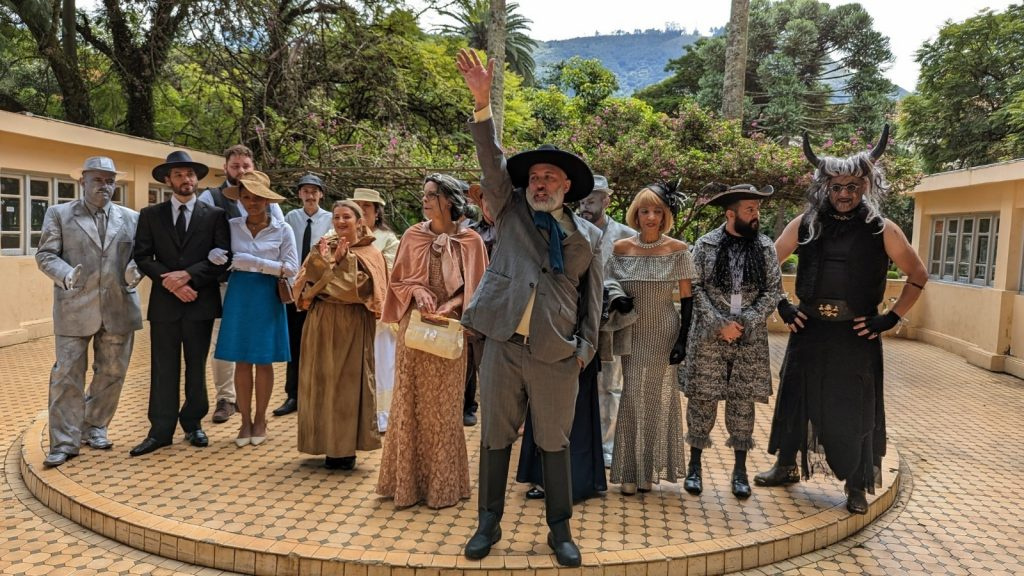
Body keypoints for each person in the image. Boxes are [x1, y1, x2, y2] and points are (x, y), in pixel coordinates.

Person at [457, 48, 603, 568]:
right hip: (502, 344)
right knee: (495, 436)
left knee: (553, 441)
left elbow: (593, 297)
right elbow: (492, 165)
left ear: (566, 188)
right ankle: (487, 524)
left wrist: (584, 348)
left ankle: (560, 531)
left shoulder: (587, 236)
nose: (540, 183)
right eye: (535, 177)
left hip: (556, 354)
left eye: (550, 179)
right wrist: (481, 104)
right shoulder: (509, 210)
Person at [754, 126, 928, 515]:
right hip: (810, 330)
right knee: (797, 396)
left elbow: (918, 275)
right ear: (824, 187)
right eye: (836, 186)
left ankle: (856, 485)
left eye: (852, 185)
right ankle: (786, 465)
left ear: (865, 185)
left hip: (856, 336)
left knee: (853, 407)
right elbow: (766, 264)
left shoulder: (882, 229)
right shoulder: (804, 222)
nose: (844, 194)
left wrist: (890, 319)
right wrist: (782, 305)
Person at [376, 174, 488, 508]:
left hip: (450, 332)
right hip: (415, 332)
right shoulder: (412, 235)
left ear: (449, 201)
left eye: (431, 195)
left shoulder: (472, 242)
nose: (424, 201)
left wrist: (452, 304)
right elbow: (397, 282)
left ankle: (443, 486)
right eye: (424, 194)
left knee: (445, 407)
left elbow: (479, 290)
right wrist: (418, 290)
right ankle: (406, 486)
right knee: (409, 403)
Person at [35, 156, 144, 467]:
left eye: (110, 180)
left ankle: (95, 425)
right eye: (98, 179)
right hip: (74, 306)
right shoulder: (60, 214)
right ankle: (64, 442)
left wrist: (136, 270)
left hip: (119, 307)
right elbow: (45, 254)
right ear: (82, 181)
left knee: (112, 373)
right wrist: (65, 274)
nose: (105, 186)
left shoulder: (131, 218)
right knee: (66, 375)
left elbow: (142, 255)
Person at [679, 183, 781, 499]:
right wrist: (718, 323)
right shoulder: (705, 245)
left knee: (742, 403)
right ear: (730, 213)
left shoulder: (765, 248)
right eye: (750, 210)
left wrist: (746, 321)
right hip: (709, 336)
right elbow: (694, 288)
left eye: (758, 209)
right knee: (702, 399)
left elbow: (773, 291)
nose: (756, 215)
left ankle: (740, 472)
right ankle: (694, 467)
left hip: (748, 338)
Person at [131, 151, 231, 456]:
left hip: (200, 301)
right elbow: (143, 256)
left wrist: (188, 276)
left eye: (189, 174)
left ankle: (193, 424)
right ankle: (160, 431)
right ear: (167, 180)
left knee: (196, 367)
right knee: (163, 368)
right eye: (178, 175)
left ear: (196, 179)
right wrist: (170, 282)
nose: (185, 180)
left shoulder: (214, 216)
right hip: (165, 305)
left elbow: (223, 257)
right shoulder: (150, 215)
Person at [606, 182, 695, 495]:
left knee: (657, 399)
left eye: (658, 210)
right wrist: (618, 298)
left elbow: (687, 299)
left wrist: (683, 339)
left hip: (664, 330)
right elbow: (607, 284)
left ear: (666, 214)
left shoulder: (678, 249)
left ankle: (649, 470)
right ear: (636, 213)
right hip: (632, 329)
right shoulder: (621, 248)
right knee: (631, 395)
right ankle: (628, 470)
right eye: (645, 210)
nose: (651, 216)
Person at [294, 200, 388, 469]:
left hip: (352, 325)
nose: (341, 222)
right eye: (336, 217)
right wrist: (326, 265)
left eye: (347, 216)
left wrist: (330, 271)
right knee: (320, 382)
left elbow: (355, 290)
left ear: (360, 221)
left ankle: (344, 450)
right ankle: (323, 444)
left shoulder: (370, 253)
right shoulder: (322, 248)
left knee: (347, 386)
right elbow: (301, 287)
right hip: (320, 323)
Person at [198, 144, 284, 425]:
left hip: (261, 286)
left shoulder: (271, 203)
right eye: (235, 167)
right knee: (222, 341)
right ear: (225, 168)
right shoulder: (211, 197)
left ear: (253, 166)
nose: (241, 171)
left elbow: (282, 238)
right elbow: (202, 235)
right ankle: (226, 398)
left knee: (257, 344)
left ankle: (256, 409)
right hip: (224, 282)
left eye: (246, 166)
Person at [211, 171, 298, 446]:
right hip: (239, 294)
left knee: (263, 360)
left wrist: (257, 263)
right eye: (247, 197)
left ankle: (261, 419)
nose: (252, 202)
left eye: (258, 197)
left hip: (266, 294)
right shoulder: (232, 225)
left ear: (267, 200)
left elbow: (293, 268)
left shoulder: (283, 229)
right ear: (240, 199)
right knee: (241, 359)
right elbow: (221, 255)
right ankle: (244, 421)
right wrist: (215, 257)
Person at [578, 175, 635, 467]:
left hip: (613, 321)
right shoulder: (573, 229)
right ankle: (580, 443)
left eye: (591, 200)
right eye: (583, 200)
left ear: (606, 201)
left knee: (611, 386)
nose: (585, 206)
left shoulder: (626, 235)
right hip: (577, 321)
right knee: (576, 384)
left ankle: (608, 446)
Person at [275, 174, 332, 417]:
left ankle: (320, 394)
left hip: (320, 291)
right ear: (299, 194)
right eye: (305, 191)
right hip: (295, 290)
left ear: (321, 194)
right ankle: (293, 395)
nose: (310, 195)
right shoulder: (290, 218)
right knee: (295, 344)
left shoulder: (330, 219)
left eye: (314, 191)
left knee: (321, 344)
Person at [351, 187, 401, 432]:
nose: (361, 211)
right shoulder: (337, 233)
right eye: (357, 206)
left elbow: (389, 272)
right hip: (348, 311)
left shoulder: (388, 239)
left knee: (381, 363)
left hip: (378, 312)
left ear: (377, 212)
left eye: (367, 207)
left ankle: (381, 416)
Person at [461, 182, 495, 427]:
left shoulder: (516, 230)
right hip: (475, 303)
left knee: (497, 366)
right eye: (485, 199)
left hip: (505, 307)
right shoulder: (469, 233)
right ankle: (466, 405)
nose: (489, 204)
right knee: (469, 358)